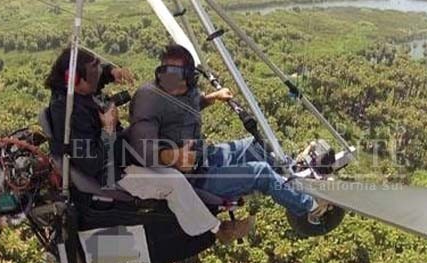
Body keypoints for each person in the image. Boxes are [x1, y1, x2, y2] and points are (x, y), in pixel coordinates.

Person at [44, 46, 252, 243]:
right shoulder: (69, 113)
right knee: (174, 181)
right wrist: (108, 128)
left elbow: (94, 73)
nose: (99, 72)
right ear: (75, 79)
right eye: (95, 70)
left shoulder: (77, 90)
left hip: (120, 149)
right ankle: (217, 230)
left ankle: (193, 170)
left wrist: (112, 71)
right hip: (113, 171)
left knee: (153, 143)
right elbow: (93, 163)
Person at [126, 44, 331, 224]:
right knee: (260, 172)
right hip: (192, 179)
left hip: (204, 156)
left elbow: (188, 107)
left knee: (255, 144)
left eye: (175, 75)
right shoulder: (149, 98)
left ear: (189, 77)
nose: (168, 80)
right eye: (164, 73)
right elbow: (142, 148)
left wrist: (212, 97)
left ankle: (291, 170)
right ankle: (311, 207)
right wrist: (172, 157)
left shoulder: (186, 91)